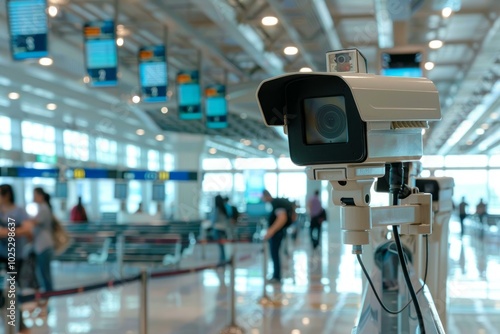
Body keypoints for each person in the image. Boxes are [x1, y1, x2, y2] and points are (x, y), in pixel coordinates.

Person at [0, 184, 34, 333]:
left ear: (6, 195)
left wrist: (6, 231)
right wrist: (14, 231)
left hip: (15, 256)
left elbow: (27, 229)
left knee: (12, 291)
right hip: (1, 256)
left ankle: (17, 325)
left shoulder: (18, 211)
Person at [262, 189, 295, 283]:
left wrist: (271, 231)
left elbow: (282, 218)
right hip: (279, 232)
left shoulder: (276, 203)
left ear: (266, 196)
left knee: (274, 254)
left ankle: (276, 276)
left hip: (277, 233)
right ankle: (276, 275)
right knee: (275, 254)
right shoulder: (277, 202)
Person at [32, 187, 55, 294]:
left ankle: (49, 296)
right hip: (43, 246)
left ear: (40, 196)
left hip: (44, 246)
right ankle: (48, 295)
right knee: (44, 273)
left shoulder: (43, 209)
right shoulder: (43, 208)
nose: (33, 197)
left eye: (35, 195)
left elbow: (34, 223)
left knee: (45, 274)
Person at [211, 195, 229, 263]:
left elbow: (214, 219)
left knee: (220, 245)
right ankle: (223, 258)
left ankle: (222, 259)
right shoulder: (224, 208)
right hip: (223, 229)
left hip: (217, 229)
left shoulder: (217, 209)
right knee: (222, 245)